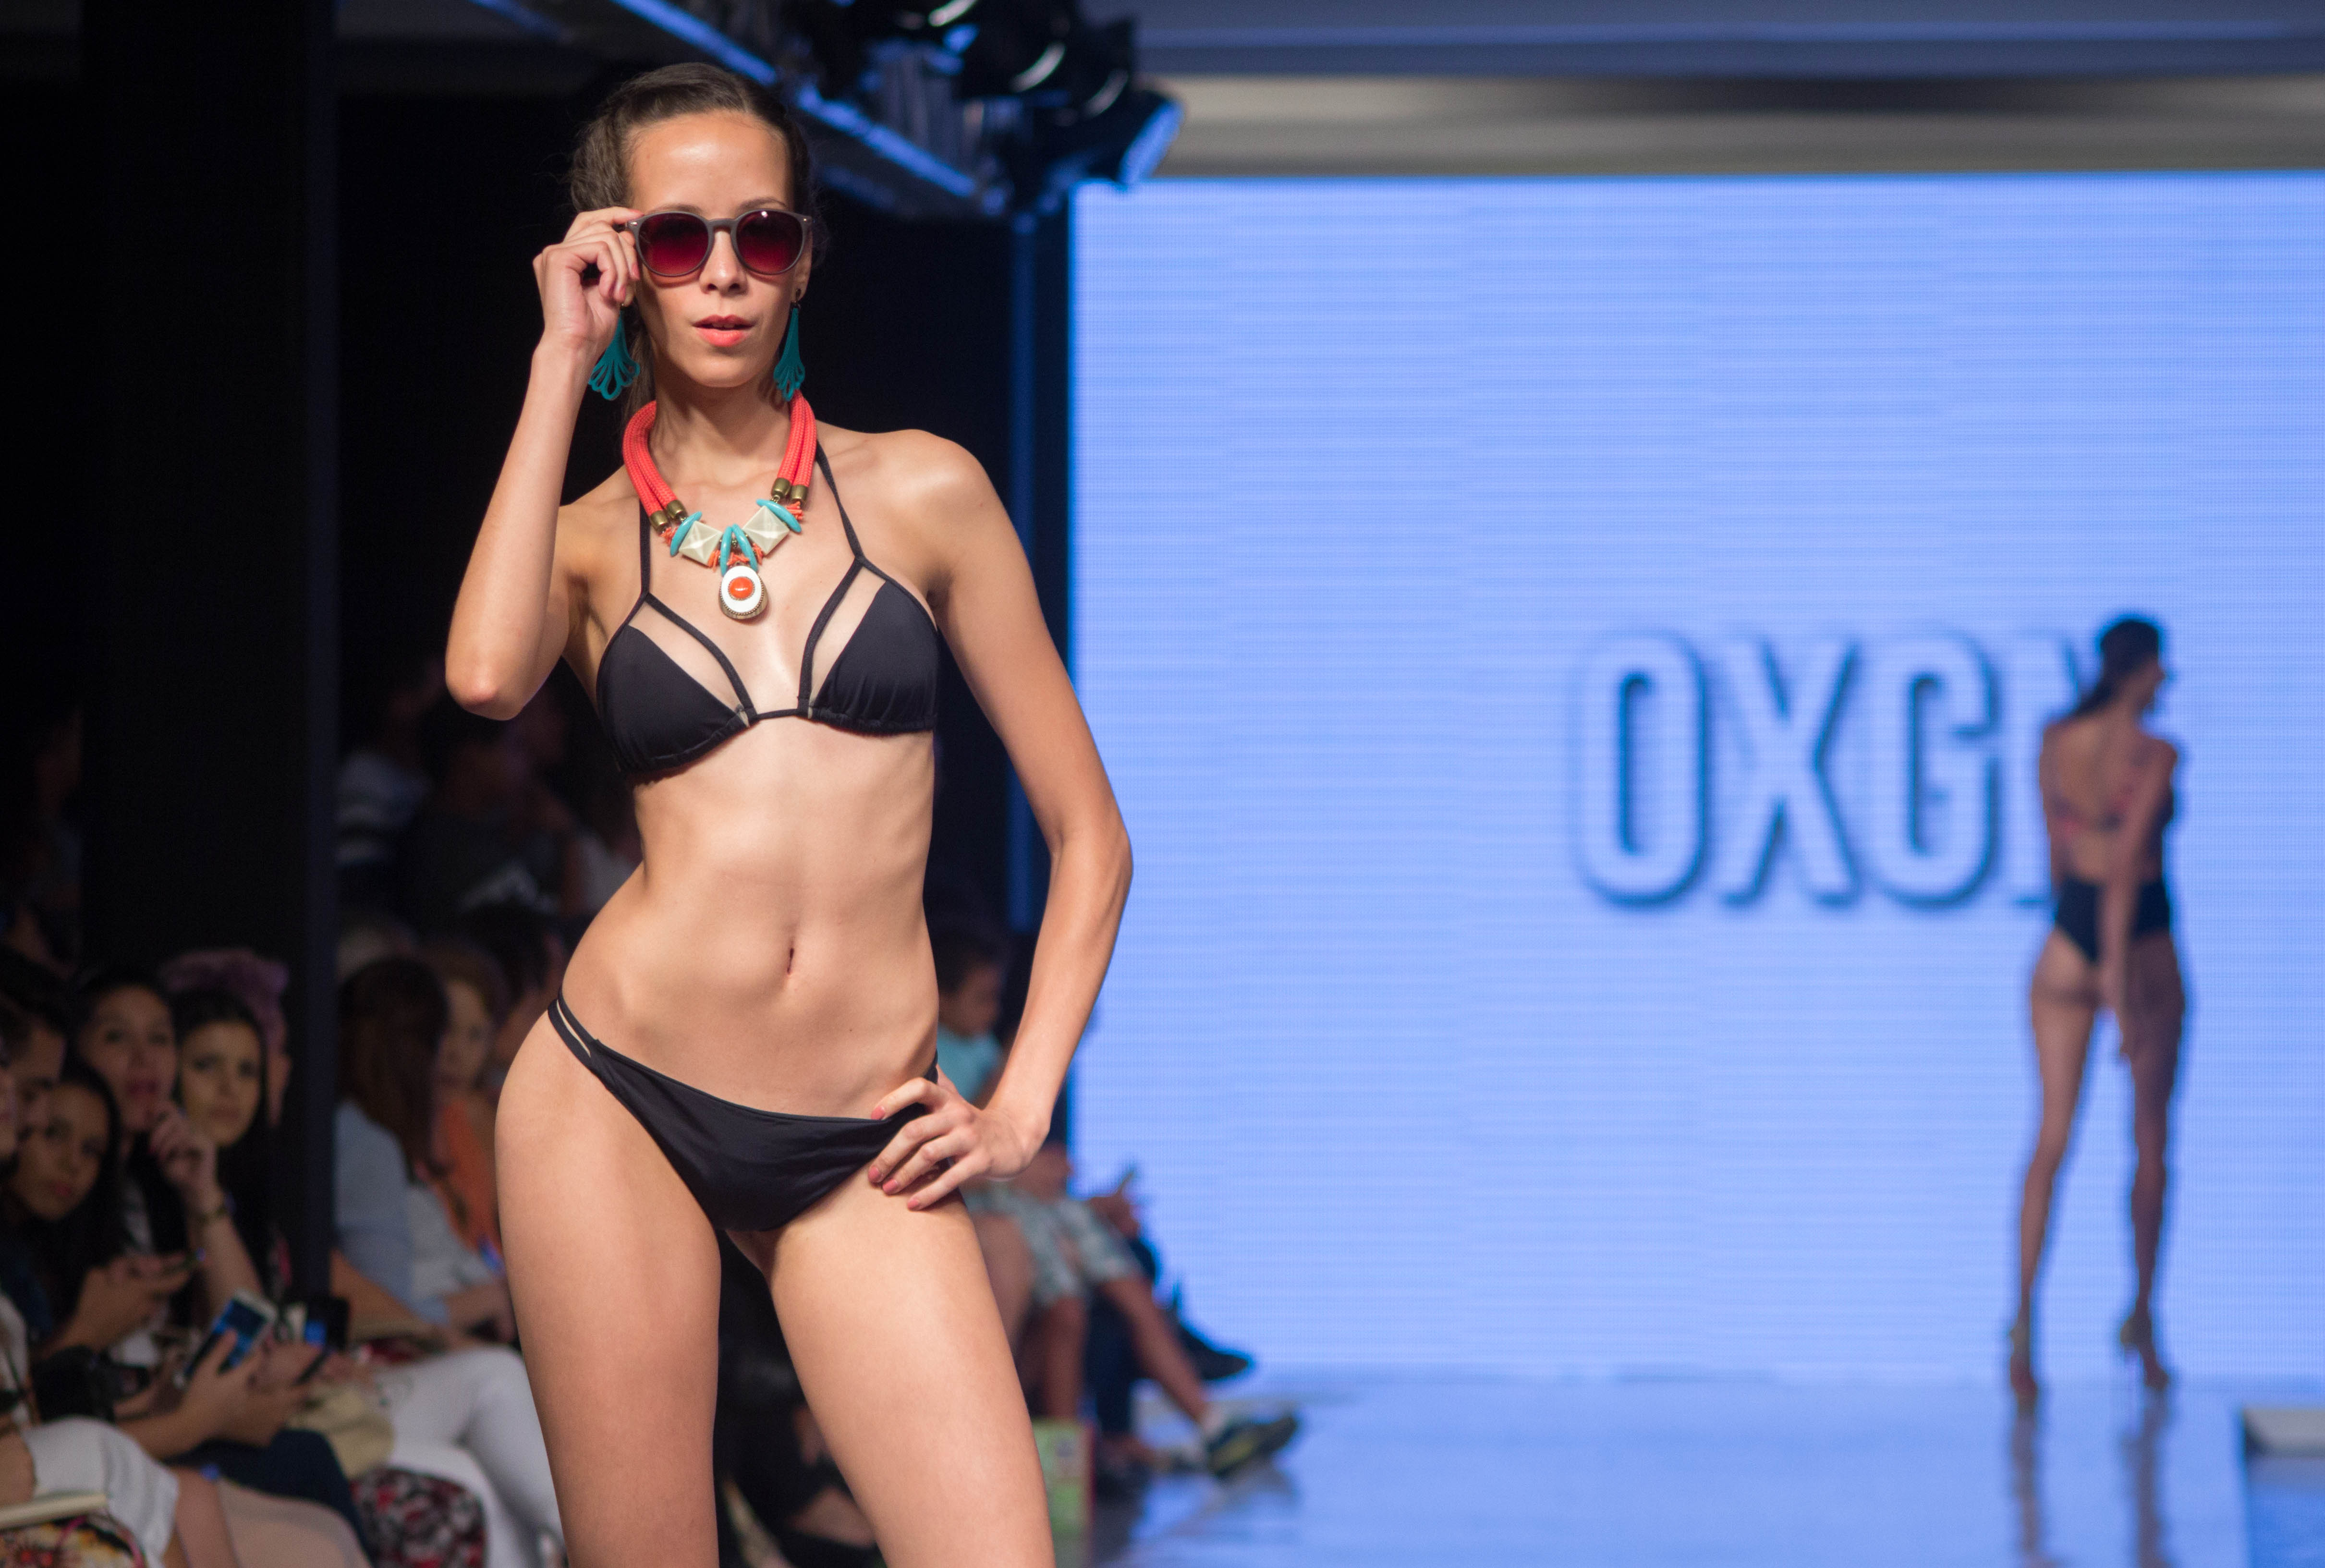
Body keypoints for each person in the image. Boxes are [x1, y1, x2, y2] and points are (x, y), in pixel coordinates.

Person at [446, 62, 1133, 1567]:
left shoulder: (925, 493)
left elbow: (1091, 833)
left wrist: (1020, 1104)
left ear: (803, 256)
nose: (722, 273)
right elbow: (486, 677)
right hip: (618, 1095)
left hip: (860, 1134)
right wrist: (562, 359)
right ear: (618, 259)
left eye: (759, 233)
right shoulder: (583, 542)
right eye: (675, 238)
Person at [334, 957, 565, 1567]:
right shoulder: (365, 1142)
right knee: (498, 1384)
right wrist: (490, 1301)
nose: (450, 1057)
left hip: (398, 1371)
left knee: (484, 1479)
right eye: (439, 1038)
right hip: (365, 1377)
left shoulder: (390, 1137)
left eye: (472, 1034)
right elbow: (384, 1307)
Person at [2012, 615, 2184, 1406]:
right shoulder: (2153, 754)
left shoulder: (2056, 741)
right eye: (2160, 666)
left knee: (2052, 1138)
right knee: (2148, 1142)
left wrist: (2082, 945)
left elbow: (2060, 856)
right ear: (2140, 670)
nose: (2167, 678)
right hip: (2137, 945)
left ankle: (2023, 1325)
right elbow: (2123, 873)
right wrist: (2118, 983)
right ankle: (2142, 1321)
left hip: (2063, 940)